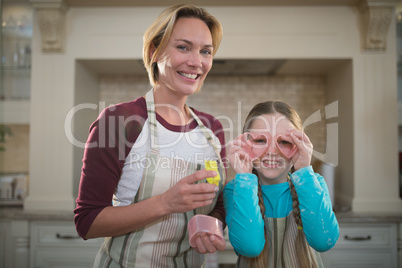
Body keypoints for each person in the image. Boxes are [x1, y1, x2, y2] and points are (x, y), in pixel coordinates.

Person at [74, 4, 227, 267]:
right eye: (183, 47)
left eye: (206, 52)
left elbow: (219, 204)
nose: (196, 62)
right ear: (154, 52)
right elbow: (87, 222)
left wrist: (212, 225)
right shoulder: (119, 121)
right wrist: (166, 203)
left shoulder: (212, 129)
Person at [223, 101, 339, 267]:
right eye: (260, 140)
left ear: (299, 145)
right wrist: (244, 177)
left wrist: (304, 169)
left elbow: (324, 241)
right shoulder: (236, 189)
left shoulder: (315, 183)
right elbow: (250, 248)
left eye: (284, 141)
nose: (272, 151)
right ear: (246, 144)